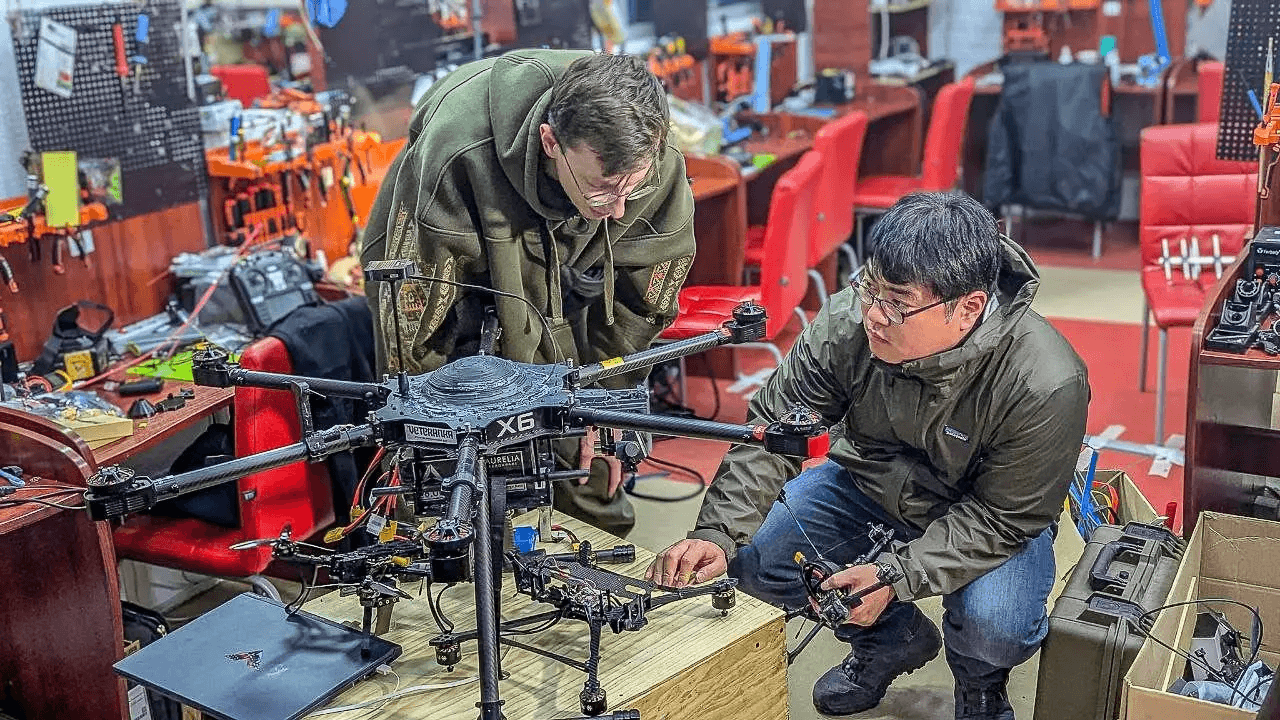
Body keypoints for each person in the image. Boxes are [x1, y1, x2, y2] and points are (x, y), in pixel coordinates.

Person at [645, 191, 1090, 719]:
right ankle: (890, 640)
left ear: (968, 307)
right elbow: (777, 431)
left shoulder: (1044, 381)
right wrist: (716, 531)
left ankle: (981, 685)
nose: (874, 316)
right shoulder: (847, 326)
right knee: (757, 561)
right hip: (867, 485)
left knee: (995, 627)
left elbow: (1004, 518)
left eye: (897, 305)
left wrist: (894, 576)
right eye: (868, 289)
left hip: (986, 515)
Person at [360, 50, 696, 537]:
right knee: (453, 485)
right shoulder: (457, 148)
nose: (620, 210)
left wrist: (610, 399)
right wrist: (426, 427)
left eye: (632, 188)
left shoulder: (649, 159)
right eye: (602, 189)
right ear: (550, 142)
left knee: (590, 463)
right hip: (452, 289)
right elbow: (412, 318)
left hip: (573, 289)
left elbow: (643, 302)